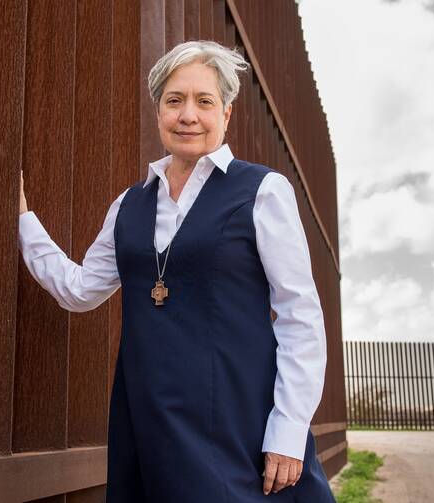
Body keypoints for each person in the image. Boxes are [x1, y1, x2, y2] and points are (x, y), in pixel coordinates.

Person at [18, 40, 336, 502]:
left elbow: (299, 316)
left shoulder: (263, 191)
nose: (188, 114)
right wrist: (23, 219)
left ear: (226, 114)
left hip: (238, 417)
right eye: (174, 100)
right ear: (158, 111)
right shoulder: (128, 204)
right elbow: (80, 289)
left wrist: (288, 430)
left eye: (204, 101)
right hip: (148, 422)